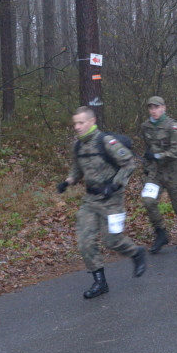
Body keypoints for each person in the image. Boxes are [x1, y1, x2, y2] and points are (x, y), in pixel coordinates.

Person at [58, 106, 146, 299]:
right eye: (75, 123)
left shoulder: (106, 142)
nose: (77, 127)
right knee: (84, 241)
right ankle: (100, 282)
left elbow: (129, 163)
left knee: (111, 240)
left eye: (81, 123)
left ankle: (136, 252)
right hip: (90, 200)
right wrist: (67, 182)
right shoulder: (78, 146)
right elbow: (77, 170)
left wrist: (114, 185)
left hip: (111, 199)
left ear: (92, 121)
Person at [139, 96, 177, 254]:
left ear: (164, 107)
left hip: (173, 171)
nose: (154, 111)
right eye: (151, 108)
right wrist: (148, 164)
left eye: (157, 107)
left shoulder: (173, 126)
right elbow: (148, 148)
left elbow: (176, 151)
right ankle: (161, 233)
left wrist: (156, 156)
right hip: (155, 172)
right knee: (148, 201)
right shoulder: (145, 126)